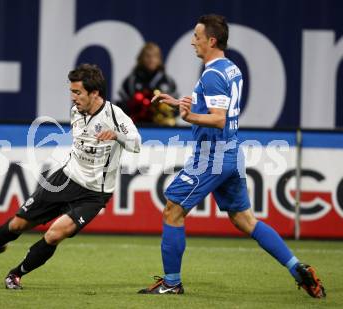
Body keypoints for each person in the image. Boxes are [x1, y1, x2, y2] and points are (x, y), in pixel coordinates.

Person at [138, 15, 325, 298]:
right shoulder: (231, 69)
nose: (192, 42)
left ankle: (171, 283)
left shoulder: (211, 74)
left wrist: (189, 116)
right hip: (231, 152)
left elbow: (218, 119)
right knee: (244, 220)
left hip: (211, 155)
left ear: (211, 40)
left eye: (197, 37)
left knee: (173, 209)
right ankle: (296, 267)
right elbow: (217, 111)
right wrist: (180, 104)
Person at [0, 63, 141, 289]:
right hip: (65, 179)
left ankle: (15, 274)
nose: (73, 98)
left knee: (54, 234)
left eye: (77, 92)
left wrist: (117, 135)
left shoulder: (115, 115)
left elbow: (137, 144)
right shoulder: (75, 112)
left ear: (95, 93)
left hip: (94, 194)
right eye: (71, 92)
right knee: (17, 224)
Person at [116, 42, 178, 126]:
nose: (151, 60)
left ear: (159, 59)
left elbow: (177, 108)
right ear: (141, 58)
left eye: (155, 56)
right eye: (148, 56)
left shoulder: (168, 81)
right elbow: (120, 107)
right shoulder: (131, 81)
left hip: (162, 129)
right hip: (136, 127)